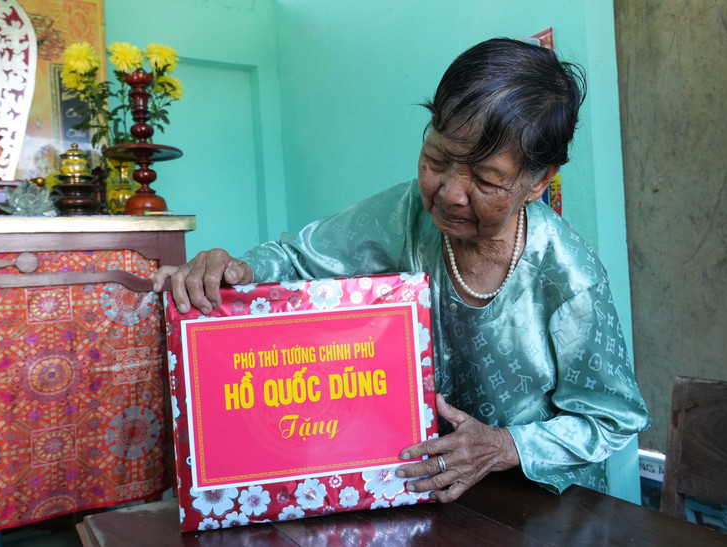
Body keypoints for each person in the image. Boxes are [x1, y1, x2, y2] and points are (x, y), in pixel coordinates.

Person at [153, 38, 650, 502]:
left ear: (539, 181)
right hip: (429, 488)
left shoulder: (569, 279)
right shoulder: (409, 212)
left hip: (537, 507)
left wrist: (503, 446)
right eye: (437, 159)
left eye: (485, 179)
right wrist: (237, 267)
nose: (450, 193)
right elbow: (300, 258)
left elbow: (613, 418)